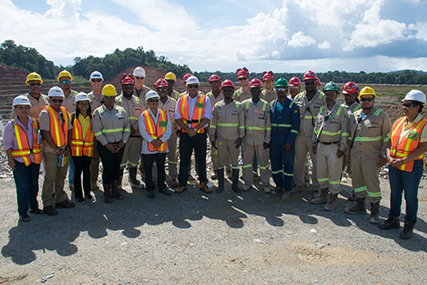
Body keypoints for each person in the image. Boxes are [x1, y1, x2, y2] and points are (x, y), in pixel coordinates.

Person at [380, 90, 427, 240]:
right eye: (404, 104)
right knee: (394, 193)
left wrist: (404, 160)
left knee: (410, 196)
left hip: (412, 166)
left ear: (418, 107)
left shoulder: (423, 125)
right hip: (395, 164)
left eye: (408, 105)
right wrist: (388, 156)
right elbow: (389, 141)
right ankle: (393, 218)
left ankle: (409, 224)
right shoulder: (399, 122)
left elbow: (422, 148)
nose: (404, 107)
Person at [345, 86, 391, 224]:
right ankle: (360, 205)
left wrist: (384, 156)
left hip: (372, 157)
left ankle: (375, 210)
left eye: (369, 99)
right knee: (357, 182)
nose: (366, 102)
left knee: (372, 183)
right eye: (364, 99)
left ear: (373, 100)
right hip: (355, 155)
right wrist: (348, 153)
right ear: (360, 100)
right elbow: (348, 137)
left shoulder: (381, 116)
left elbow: (388, 138)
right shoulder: (355, 115)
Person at [310, 82, 349, 210]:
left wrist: (342, 148)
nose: (329, 96)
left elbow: (345, 131)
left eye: (332, 94)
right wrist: (314, 143)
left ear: (337, 95)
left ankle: (333, 199)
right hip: (321, 145)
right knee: (321, 172)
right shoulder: (322, 110)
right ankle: (323, 195)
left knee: (334, 174)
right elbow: (316, 128)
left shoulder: (341, 110)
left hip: (334, 146)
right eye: (327, 94)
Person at [4, 95, 43, 222]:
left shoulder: (34, 123)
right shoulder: (11, 126)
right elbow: (7, 145)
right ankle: (23, 212)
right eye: (20, 107)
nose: (23, 110)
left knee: (34, 185)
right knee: (22, 187)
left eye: (26, 107)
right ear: (15, 109)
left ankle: (33, 206)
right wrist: (10, 160)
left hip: (34, 160)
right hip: (19, 162)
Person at [39, 86, 75, 216]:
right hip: (51, 151)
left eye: (60, 100)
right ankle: (47, 203)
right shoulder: (45, 113)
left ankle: (59, 198)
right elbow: (45, 133)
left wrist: (68, 146)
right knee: (50, 178)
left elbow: (69, 130)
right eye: (55, 100)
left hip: (63, 150)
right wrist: (56, 149)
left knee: (61, 176)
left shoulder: (64, 112)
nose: (57, 103)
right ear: (49, 99)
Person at [92, 84, 130, 203]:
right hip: (105, 146)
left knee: (117, 167)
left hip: (119, 145)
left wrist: (123, 142)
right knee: (107, 168)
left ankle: (115, 189)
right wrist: (107, 145)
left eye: (112, 97)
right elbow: (97, 132)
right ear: (104, 97)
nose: (110, 100)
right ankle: (107, 192)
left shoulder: (121, 111)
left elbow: (127, 128)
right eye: (108, 97)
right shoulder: (98, 113)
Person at [174, 75, 212, 194]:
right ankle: (182, 184)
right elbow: (177, 117)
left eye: (195, 86)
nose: (193, 88)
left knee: (201, 159)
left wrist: (195, 129)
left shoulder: (205, 99)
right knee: (184, 159)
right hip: (185, 133)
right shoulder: (181, 99)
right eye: (190, 86)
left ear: (198, 86)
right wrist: (188, 129)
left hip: (200, 133)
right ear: (187, 86)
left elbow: (207, 117)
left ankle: (203, 183)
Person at [293, 71, 325, 197]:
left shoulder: (322, 98)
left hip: (314, 136)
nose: (309, 85)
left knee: (317, 163)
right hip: (300, 135)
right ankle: (299, 184)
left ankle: (317, 187)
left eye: (312, 83)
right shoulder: (299, 98)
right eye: (307, 83)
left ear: (316, 83)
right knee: (298, 161)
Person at [210, 79, 244, 193]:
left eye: (230, 90)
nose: (227, 92)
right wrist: (212, 139)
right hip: (221, 140)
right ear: (222, 91)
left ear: (233, 91)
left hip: (234, 140)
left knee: (235, 163)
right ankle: (221, 186)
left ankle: (235, 185)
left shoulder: (239, 106)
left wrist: (240, 138)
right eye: (225, 90)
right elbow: (213, 125)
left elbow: (241, 124)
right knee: (220, 163)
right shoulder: (218, 106)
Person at [269, 78, 300, 200]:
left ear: (287, 90)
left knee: (287, 165)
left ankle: (287, 188)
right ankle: (278, 185)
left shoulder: (293, 106)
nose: (280, 91)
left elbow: (295, 126)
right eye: (278, 89)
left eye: (283, 89)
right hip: (274, 140)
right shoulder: (272, 105)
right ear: (276, 90)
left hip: (286, 140)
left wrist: (289, 142)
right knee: (275, 164)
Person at [139, 91, 173, 198]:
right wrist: (153, 141)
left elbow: (168, 129)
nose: (155, 102)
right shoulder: (143, 115)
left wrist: (161, 140)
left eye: (156, 100)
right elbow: (143, 131)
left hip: (161, 146)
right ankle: (150, 188)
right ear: (147, 102)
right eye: (152, 101)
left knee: (161, 167)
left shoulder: (164, 114)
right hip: (148, 146)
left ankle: (162, 186)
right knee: (148, 168)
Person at [241, 78, 271, 192]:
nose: (255, 92)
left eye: (257, 90)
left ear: (260, 91)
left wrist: (267, 140)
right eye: (253, 90)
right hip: (248, 139)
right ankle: (248, 182)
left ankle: (266, 184)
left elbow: (268, 125)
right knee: (247, 163)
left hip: (261, 140)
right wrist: (242, 137)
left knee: (263, 163)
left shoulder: (265, 105)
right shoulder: (244, 105)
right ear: (250, 90)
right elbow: (241, 123)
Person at [116, 74, 145, 189]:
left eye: (131, 87)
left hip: (136, 136)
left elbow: (143, 117)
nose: (129, 90)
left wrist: (135, 127)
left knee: (134, 160)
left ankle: (133, 180)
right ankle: (118, 183)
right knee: (121, 161)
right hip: (122, 137)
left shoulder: (139, 101)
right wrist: (127, 129)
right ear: (122, 88)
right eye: (126, 87)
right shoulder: (117, 101)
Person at [71, 93, 95, 202]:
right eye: (81, 103)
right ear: (77, 105)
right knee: (77, 172)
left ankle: (87, 192)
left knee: (86, 171)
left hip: (88, 149)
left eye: (86, 103)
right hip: (76, 150)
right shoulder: (73, 117)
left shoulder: (92, 117)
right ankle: (78, 195)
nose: (83, 105)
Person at [57, 69, 78, 192]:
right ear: (59, 82)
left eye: (68, 80)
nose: (66, 83)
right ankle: (57, 188)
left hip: (73, 132)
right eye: (63, 81)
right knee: (59, 161)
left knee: (73, 160)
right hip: (58, 132)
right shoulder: (55, 95)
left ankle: (72, 183)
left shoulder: (76, 96)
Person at [156, 78, 179, 187]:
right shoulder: (154, 102)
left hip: (171, 133)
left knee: (172, 156)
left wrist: (178, 130)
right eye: (159, 89)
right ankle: (157, 177)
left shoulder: (174, 102)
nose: (162, 91)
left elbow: (177, 118)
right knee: (157, 157)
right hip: (157, 134)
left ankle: (173, 177)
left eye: (164, 89)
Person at [341, 81, 361, 201]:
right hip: (341, 143)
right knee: (338, 167)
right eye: (346, 95)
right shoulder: (342, 108)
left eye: (351, 95)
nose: (348, 97)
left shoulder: (359, 109)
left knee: (353, 170)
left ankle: (357, 192)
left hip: (352, 144)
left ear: (356, 95)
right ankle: (334, 189)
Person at [88, 71, 104, 191]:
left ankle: (107, 183)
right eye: (94, 80)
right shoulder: (87, 98)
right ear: (91, 82)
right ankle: (92, 182)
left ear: (102, 81)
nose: (96, 83)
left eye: (98, 80)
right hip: (92, 134)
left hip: (107, 133)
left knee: (106, 161)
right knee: (94, 160)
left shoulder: (108, 96)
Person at [206, 74, 224, 180]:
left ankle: (228, 170)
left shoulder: (225, 95)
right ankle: (216, 170)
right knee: (213, 149)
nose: (215, 85)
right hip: (211, 127)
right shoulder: (207, 97)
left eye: (216, 82)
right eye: (213, 83)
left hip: (223, 126)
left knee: (225, 149)